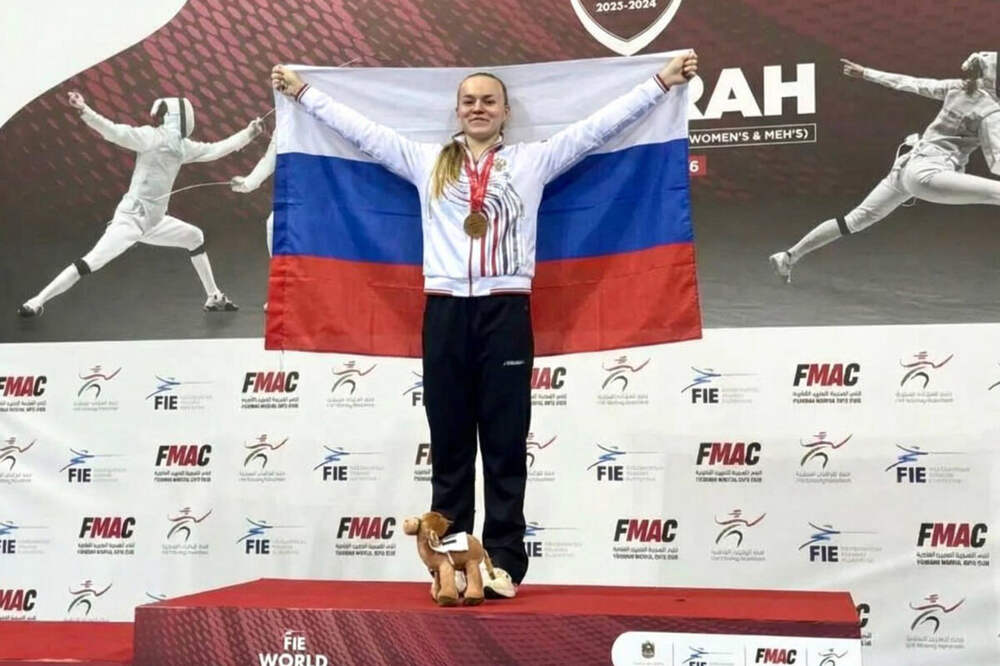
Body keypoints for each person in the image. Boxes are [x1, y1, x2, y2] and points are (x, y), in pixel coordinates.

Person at [271, 51, 698, 597]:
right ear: (457, 111)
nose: (478, 108)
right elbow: (362, 132)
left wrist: (660, 82)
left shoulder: (533, 161)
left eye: (489, 101)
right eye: (469, 101)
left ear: (505, 112)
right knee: (449, 443)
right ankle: (451, 561)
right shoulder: (427, 161)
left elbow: (598, 128)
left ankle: (503, 562)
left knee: (504, 442)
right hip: (445, 310)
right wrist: (304, 93)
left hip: (506, 311)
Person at [17, 93, 263, 317]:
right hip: (131, 219)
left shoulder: (182, 147)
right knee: (90, 262)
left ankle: (214, 297)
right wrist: (84, 110)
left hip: (155, 221)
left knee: (194, 237)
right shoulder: (151, 137)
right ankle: (37, 301)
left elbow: (216, 150)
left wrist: (249, 133)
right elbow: (114, 132)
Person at [769, 52, 1000, 283]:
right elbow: (996, 162)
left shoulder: (957, 87)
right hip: (928, 174)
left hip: (905, 169)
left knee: (854, 220)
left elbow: (910, 83)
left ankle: (788, 256)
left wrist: (865, 73)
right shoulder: (991, 111)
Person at [230, 132, 277, 309]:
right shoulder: (286, 124)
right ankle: (283, 292)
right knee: (275, 226)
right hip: (301, 194)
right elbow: (270, 158)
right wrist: (248, 183)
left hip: (334, 191)